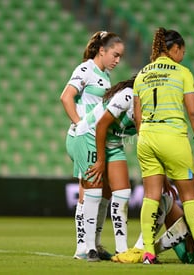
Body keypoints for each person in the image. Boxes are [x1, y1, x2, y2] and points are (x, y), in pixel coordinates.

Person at [133, 27, 194, 265]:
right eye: (182, 51)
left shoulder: (141, 74)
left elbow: (138, 117)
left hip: (146, 137)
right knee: (189, 197)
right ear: (174, 49)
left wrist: (148, 138)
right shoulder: (183, 72)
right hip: (172, 136)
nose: (183, 56)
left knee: (151, 196)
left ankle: (148, 253)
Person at [59, 31, 124, 261]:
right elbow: (66, 97)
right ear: (102, 50)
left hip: (96, 139)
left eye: (120, 57)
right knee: (87, 190)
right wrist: (80, 125)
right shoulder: (85, 69)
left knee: (102, 190)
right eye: (115, 55)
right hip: (83, 137)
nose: (117, 60)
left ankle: (94, 243)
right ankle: (82, 248)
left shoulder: (104, 75)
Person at [79, 76, 137, 260]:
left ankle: (121, 250)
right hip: (88, 136)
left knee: (123, 193)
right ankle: (89, 248)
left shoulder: (152, 106)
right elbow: (101, 124)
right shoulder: (128, 96)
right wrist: (101, 161)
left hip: (112, 143)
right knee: (95, 193)